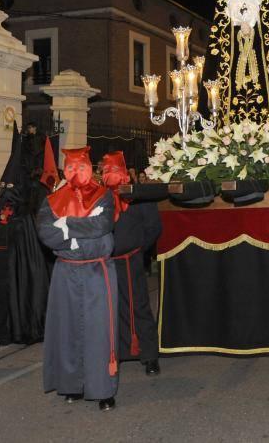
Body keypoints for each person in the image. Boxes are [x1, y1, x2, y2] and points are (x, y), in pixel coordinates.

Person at [38, 146, 118, 411]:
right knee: (67, 329)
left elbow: (102, 225)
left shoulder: (104, 196)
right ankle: (71, 385)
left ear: (90, 168)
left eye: (81, 167)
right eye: (70, 168)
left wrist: (67, 226)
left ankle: (103, 390)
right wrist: (75, 234)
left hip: (97, 272)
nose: (76, 173)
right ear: (64, 169)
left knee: (99, 333)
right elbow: (46, 234)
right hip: (66, 272)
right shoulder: (51, 200)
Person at [0, 125, 49, 346]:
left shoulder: (24, 217)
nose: (5, 190)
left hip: (14, 270)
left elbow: (31, 261)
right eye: (2, 186)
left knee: (15, 295)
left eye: (10, 187)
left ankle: (16, 328)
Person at [101, 152, 163, 375]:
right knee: (110, 310)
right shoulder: (99, 198)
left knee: (140, 305)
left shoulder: (139, 196)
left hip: (132, 261)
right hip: (106, 264)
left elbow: (153, 226)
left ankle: (149, 355)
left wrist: (137, 249)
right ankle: (115, 352)